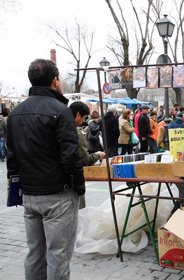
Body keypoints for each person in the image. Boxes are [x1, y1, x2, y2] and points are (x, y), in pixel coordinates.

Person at [6, 58, 85, 279]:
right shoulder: (60, 111)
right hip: (57, 194)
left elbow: (11, 158)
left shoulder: (16, 113)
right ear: (55, 80)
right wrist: (79, 187)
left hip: (30, 194)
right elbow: (71, 155)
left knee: (35, 253)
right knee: (58, 255)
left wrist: (17, 190)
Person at [69, 101, 106, 209]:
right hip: (72, 180)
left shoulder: (58, 126)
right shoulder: (74, 131)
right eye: (84, 118)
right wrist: (98, 155)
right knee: (77, 215)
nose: (84, 121)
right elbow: (84, 159)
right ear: (78, 114)